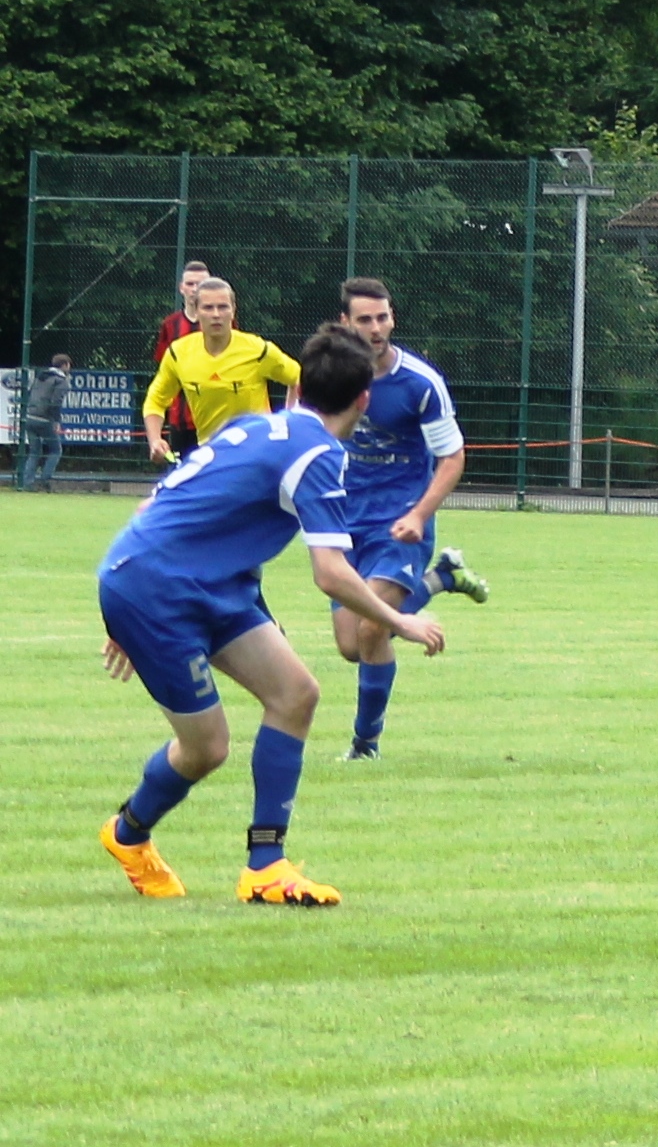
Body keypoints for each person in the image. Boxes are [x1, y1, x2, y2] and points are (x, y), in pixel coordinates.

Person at [97, 324, 445, 906]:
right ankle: (128, 833)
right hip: (157, 591)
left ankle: (266, 864)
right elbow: (330, 573)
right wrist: (403, 621)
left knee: (296, 694)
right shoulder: (320, 453)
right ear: (364, 400)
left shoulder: (254, 426)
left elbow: (154, 500)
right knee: (208, 748)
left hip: (198, 582)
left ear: (301, 386)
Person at [330, 277, 489, 762]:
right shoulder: (328, 376)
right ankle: (441, 578)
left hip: (400, 523)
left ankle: (365, 746)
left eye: (383, 317)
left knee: (372, 630)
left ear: (392, 318)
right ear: (345, 323)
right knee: (349, 646)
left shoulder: (420, 384)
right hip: (342, 519)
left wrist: (420, 514)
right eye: (365, 319)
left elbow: (453, 456)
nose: (376, 328)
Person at [143, 277, 300, 458]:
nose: (216, 314)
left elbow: (299, 378)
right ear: (197, 311)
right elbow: (155, 401)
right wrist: (155, 441)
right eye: (208, 308)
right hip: (211, 454)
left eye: (223, 307)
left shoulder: (258, 350)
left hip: (258, 453)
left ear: (233, 311)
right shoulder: (178, 353)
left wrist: (288, 420)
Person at [153, 261, 211, 457]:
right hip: (181, 418)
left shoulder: (223, 322)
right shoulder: (170, 325)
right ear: (181, 288)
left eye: (201, 284)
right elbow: (164, 370)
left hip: (214, 416)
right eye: (190, 284)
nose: (195, 289)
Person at [20, 354, 71, 491]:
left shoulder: (40, 376)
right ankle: (45, 479)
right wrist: (56, 421)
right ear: (64, 365)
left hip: (30, 417)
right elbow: (56, 403)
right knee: (56, 450)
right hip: (45, 419)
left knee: (34, 452)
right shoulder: (61, 381)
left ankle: (27, 483)